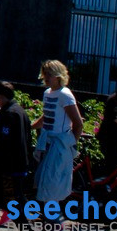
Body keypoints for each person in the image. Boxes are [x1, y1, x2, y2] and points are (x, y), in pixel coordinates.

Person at [31, 59, 83, 204]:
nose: (46, 77)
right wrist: (29, 127)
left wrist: (70, 144)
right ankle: (48, 219)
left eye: (49, 74)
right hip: (47, 143)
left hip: (59, 144)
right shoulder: (48, 93)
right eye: (45, 74)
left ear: (58, 75)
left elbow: (78, 123)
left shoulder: (65, 94)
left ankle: (53, 221)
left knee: (53, 182)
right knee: (44, 180)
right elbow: (46, 116)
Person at [0, 82, 32, 231]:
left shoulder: (9, 114)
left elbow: (5, 143)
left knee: (11, 204)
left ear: (1, 97)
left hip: (9, 168)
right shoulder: (20, 111)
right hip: (19, 165)